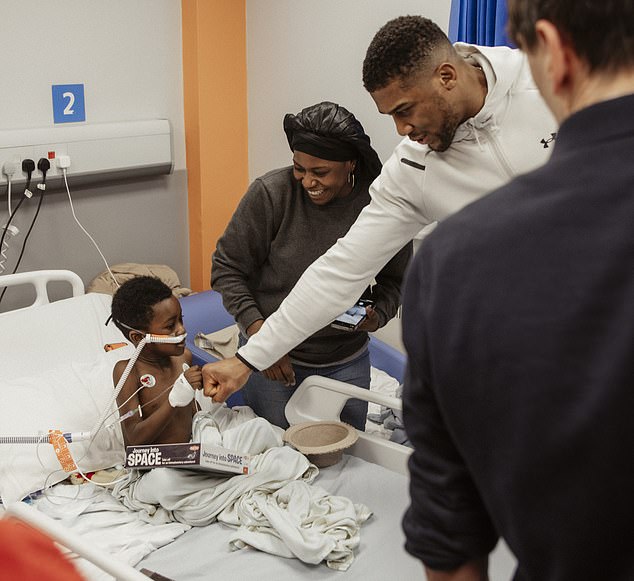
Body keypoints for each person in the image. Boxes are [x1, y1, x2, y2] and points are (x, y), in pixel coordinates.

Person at [200, 15, 558, 403]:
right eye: (391, 116)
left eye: (405, 110)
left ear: (447, 77)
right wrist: (250, 357)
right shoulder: (412, 168)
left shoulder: (552, 81)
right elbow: (339, 271)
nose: (401, 130)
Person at [400, 1, 634, 579]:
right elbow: (341, 266)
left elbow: (450, 543)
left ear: (553, 53)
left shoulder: (453, 264)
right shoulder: (412, 174)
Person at [211, 101, 412, 430]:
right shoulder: (272, 194)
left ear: (350, 163)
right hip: (276, 364)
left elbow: (397, 280)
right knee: (280, 456)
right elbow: (226, 269)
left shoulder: (379, 207)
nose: (307, 181)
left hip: (345, 360)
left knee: (347, 460)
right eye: (298, 168)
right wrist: (265, 342)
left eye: (320, 172)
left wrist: (376, 314)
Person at [110, 275, 202, 446]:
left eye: (180, 319)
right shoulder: (128, 372)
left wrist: (206, 427)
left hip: (192, 451)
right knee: (163, 476)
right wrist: (173, 401)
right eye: (170, 326)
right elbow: (134, 440)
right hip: (160, 464)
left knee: (259, 429)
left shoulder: (183, 357)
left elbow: (191, 407)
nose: (181, 329)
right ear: (139, 337)